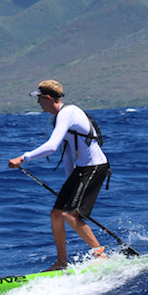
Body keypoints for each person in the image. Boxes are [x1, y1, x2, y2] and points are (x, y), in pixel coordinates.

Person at [8, 79, 110, 271]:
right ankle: (61, 263)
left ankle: (100, 254)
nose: (38, 103)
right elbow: (68, 153)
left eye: (39, 99)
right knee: (56, 214)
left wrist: (23, 158)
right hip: (81, 170)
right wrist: (70, 183)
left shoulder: (68, 113)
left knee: (70, 215)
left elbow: (52, 146)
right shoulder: (59, 118)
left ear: (47, 98)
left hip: (94, 167)